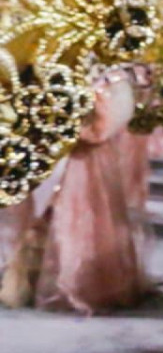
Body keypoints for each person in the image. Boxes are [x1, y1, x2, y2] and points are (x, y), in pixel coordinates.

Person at [0, 65, 150, 314]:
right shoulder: (35, 65)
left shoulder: (106, 76)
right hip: (46, 154)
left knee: (73, 220)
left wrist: (82, 112)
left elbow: (102, 128)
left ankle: (74, 281)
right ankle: (27, 279)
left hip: (82, 165)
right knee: (38, 219)